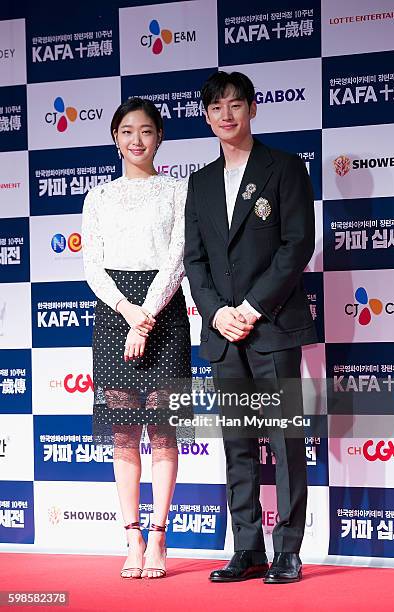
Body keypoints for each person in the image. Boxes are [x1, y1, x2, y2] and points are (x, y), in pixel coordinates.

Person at [184, 71, 317, 584]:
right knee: (237, 444)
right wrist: (217, 312)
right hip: (223, 334)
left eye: (235, 105)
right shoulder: (197, 182)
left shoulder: (284, 168)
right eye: (216, 107)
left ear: (253, 109)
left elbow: (296, 246)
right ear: (206, 116)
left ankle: (288, 551)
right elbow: (195, 260)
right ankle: (247, 549)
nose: (226, 115)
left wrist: (253, 307)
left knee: (284, 440)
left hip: (274, 327)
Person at [82, 97, 191, 579]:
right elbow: (92, 266)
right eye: (127, 131)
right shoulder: (98, 197)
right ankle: (132, 537)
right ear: (115, 139)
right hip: (112, 314)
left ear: (159, 137)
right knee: (124, 436)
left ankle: (160, 540)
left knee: (164, 433)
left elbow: (178, 257)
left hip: (163, 312)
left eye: (145, 131)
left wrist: (145, 314)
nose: (136, 140)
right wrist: (127, 312)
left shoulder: (177, 191)